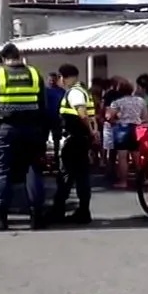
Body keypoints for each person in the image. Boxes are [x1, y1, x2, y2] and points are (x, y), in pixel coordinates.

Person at [0, 43, 48, 231]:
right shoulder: (34, 74)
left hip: (7, 130)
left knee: (2, 171)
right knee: (34, 170)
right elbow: (44, 105)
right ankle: (37, 217)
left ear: (3, 58)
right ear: (19, 56)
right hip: (33, 129)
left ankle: (1, 218)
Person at [50, 64, 98, 224]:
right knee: (81, 176)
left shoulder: (75, 93)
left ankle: (58, 211)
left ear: (64, 77)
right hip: (81, 139)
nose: (60, 81)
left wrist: (91, 132)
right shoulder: (83, 90)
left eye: (60, 77)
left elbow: (83, 114)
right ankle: (83, 211)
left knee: (66, 175)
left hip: (74, 140)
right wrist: (93, 132)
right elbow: (91, 116)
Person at [106, 79, 147, 189]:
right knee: (137, 156)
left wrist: (114, 121)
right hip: (136, 129)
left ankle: (123, 181)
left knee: (122, 157)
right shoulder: (140, 101)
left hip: (122, 129)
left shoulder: (117, 102)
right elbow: (144, 117)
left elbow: (109, 117)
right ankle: (141, 179)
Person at [102, 77, 121, 180]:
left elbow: (103, 107)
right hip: (120, 124)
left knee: (110, 148)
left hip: (109, 123)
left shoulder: (108, 94)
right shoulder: (123, 96)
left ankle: (109, 169)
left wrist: (103, 118)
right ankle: (119, 171)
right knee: (121, 150)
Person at [46, 71, 65, 169]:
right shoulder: (44, 91)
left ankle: (56, 157)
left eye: (53, 80)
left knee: (56, 139)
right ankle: (44, 158)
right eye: (50, 80)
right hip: (45, 118)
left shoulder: (61, 91)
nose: (51, 82)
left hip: (57, 118)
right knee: (43, 138)